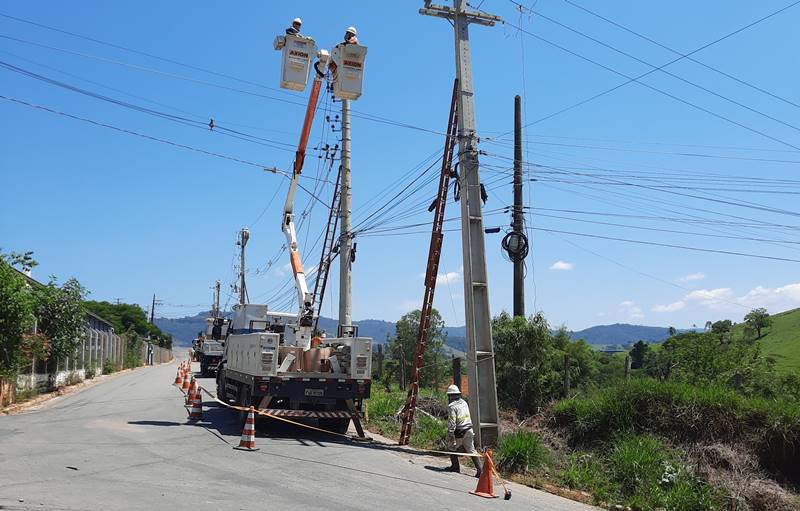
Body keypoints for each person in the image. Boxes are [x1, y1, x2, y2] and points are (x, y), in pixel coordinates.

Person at [445, 384, 482, 477]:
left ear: (450, 396)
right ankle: (480, 470)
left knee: (451, 447)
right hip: (469, 429)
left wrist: (451, 434)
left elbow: (452, 422)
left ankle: (455, 467)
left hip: (460, 431)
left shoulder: (451, 406)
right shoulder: (464, 402)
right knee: (471, 450)